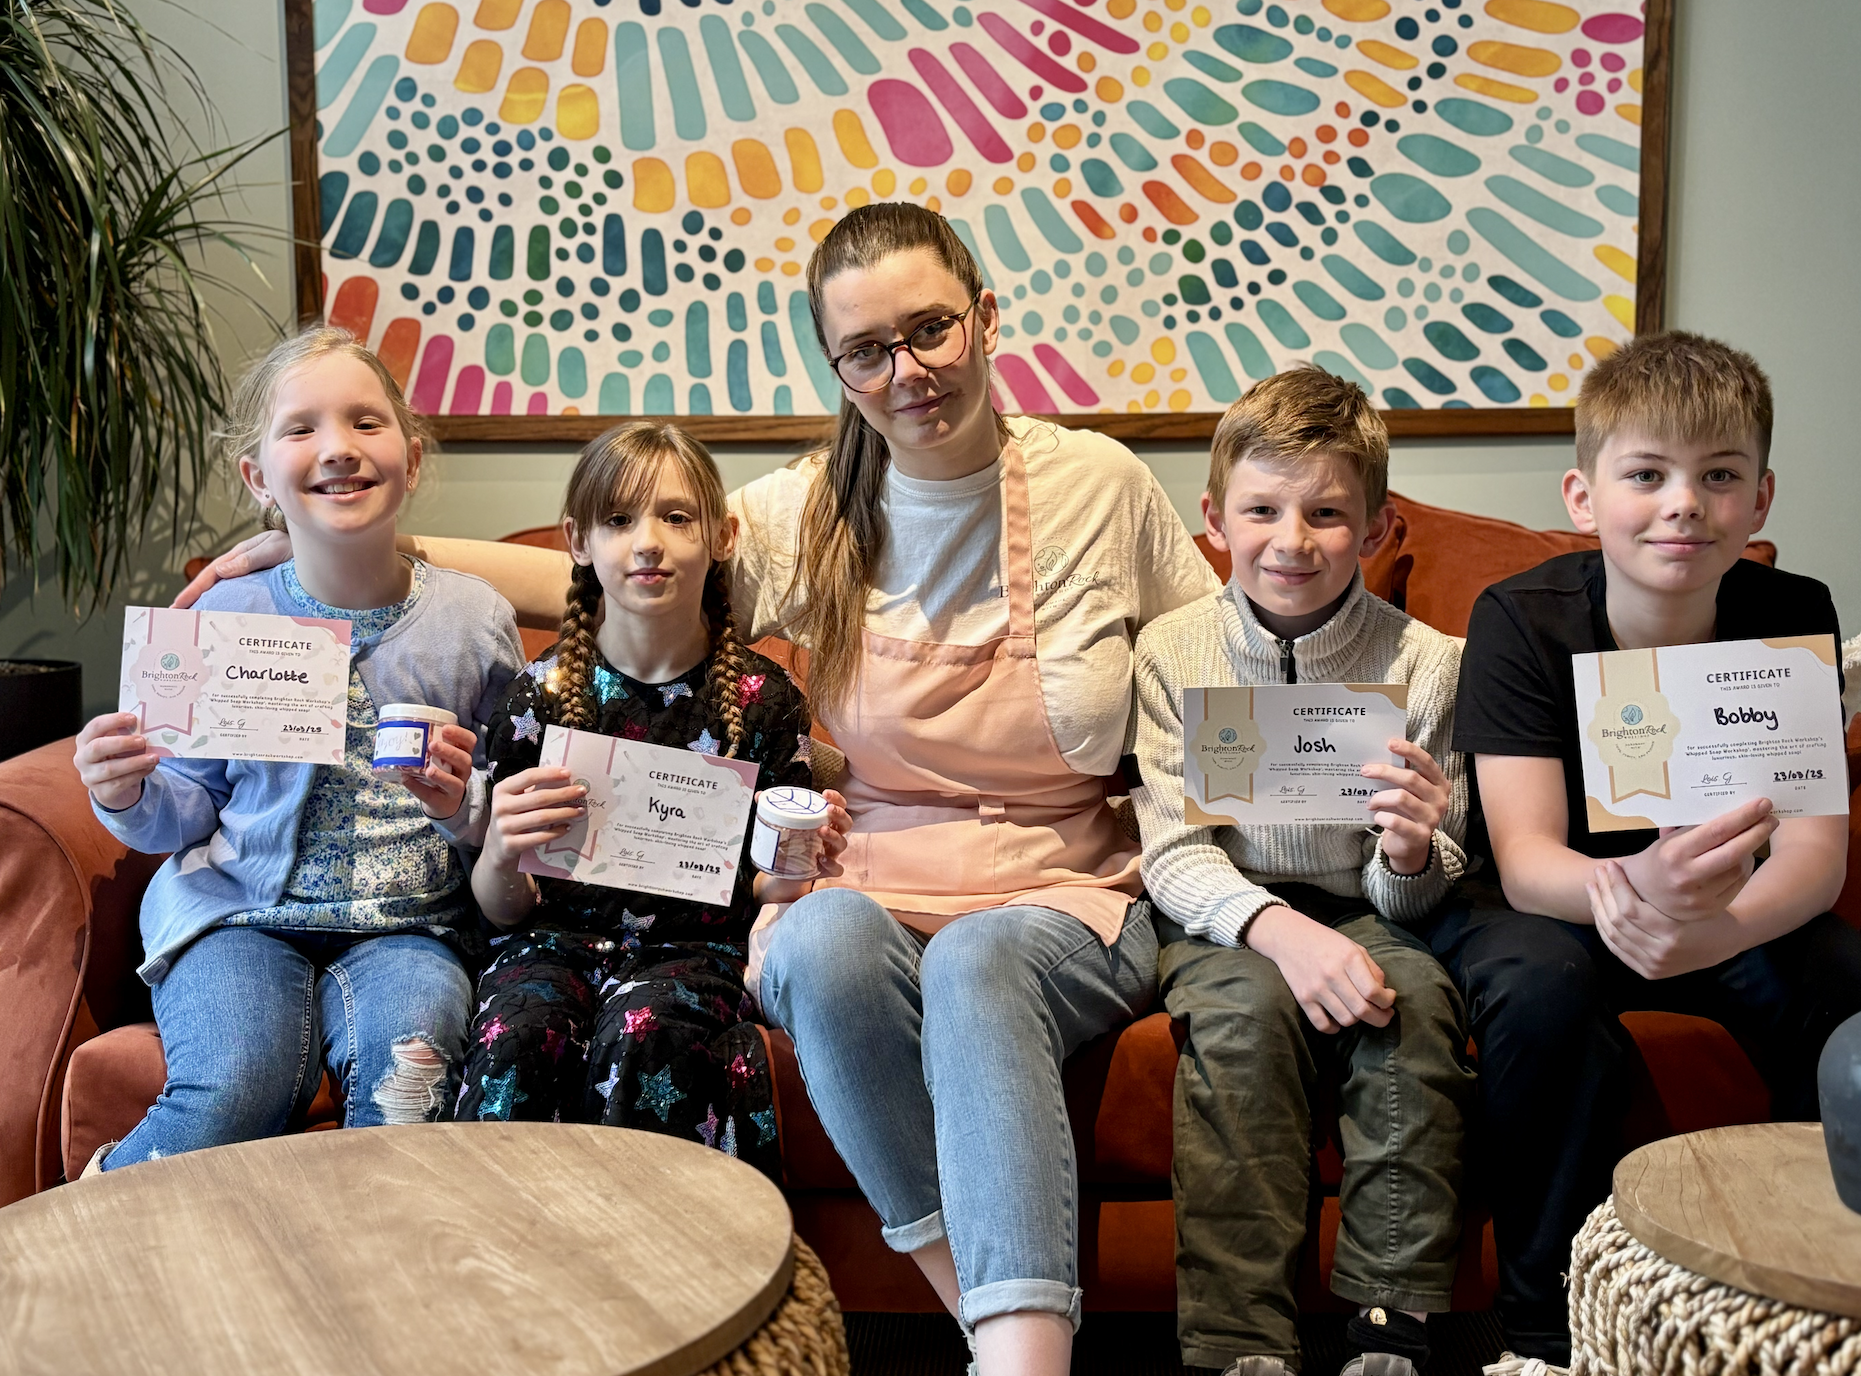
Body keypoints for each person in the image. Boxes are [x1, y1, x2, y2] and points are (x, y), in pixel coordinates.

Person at [177, 202, 1220, 1375]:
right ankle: (978, 1308)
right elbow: (606, 564)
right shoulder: (810, 508)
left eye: (930, 330)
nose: (906, 371)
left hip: (1061, 883)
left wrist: (1260, 884)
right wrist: (325, 540)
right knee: (814, 945)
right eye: (866, 351)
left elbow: (1204, 668)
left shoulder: (1103, 485)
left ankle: (1023, 1353)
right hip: (869, 873)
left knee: (979, 961)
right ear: (838, 368)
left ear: (984, 317)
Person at [1429, 331, 1861, 1366]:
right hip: (1561, 904)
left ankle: (1833, 1302)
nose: (1684, 503)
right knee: (1537, 990)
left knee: (1845, 985)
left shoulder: (1792, 613)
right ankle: (1544, 1331)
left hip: (1735, 906)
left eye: (1718, 476)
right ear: (1585, 496)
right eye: (1647, 474)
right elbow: (1525, 848)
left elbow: (1814, 855)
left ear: (1760, 499)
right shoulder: (1521, 619)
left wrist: (1710, 929)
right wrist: (1629, 891)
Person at [72, 326, 523, 1171]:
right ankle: (92, 1224)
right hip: (240, 915)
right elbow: (185, 809)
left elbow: (507, 807)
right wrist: (125, 793)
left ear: (412, 459)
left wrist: (466, 802)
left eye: (365, 422)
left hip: (411, 926)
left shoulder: (476, 621)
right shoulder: (224, 617)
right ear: (258, 477)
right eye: (302, 429)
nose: (339, 449)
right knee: (244, 1078)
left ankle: (368, 1278)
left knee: (413, 1087)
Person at [1132, 369, 1475, 1376]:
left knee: (1409, 1002)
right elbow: (1172, 851)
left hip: (1369, 908)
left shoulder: (1430, 663)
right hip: (1226, 917)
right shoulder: (1171, 650)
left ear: (1373, 526)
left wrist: (1412, 847)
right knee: (1241, 1023)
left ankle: (1391, 1323)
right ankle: (1241, 1342)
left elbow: (1431, 877)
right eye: (1263, 509)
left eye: (1328, 512)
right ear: (1215, 518)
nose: (1293, 539)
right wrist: (1277, 930)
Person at [453, 421, 848, 1180]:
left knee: (648, 1038)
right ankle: (503, 1269)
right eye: (618, 520)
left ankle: (663, 1273)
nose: (647, 543)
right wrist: (500, 849)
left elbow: (769, 883)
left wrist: (801, 865)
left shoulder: (764, 703)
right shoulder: (542, 695)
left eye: (676, 517)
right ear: (578, 540)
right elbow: (502, 910)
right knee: (519, 1036)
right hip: (550, 945)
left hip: (694, 953)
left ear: (723, 536)